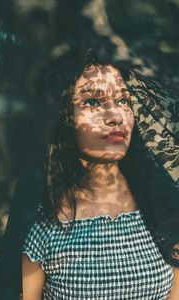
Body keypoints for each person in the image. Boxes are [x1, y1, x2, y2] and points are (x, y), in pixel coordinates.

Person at [21, 56, 179, 299]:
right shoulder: (42, 219)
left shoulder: (162, 206)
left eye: (123, 100)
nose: (115, 116)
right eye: (93, 101)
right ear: (62, 115)